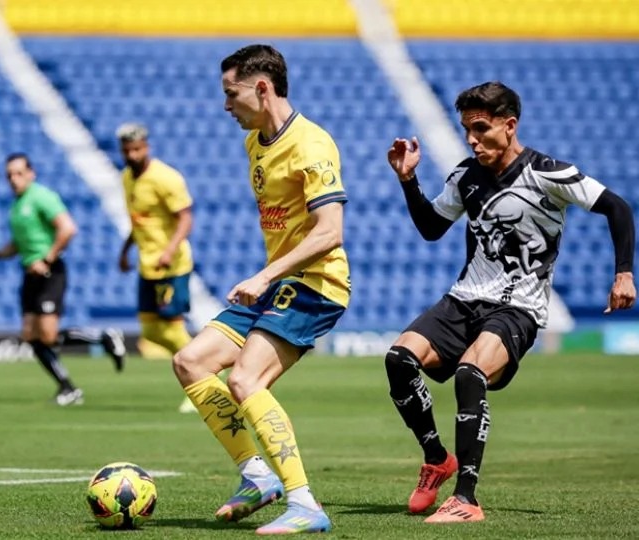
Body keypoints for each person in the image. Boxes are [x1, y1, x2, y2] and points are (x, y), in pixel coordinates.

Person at [385, 81, 636, 523]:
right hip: (464, 298)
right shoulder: (465, 176)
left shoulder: (549, 173)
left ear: (510, 125)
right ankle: (436, 459)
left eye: (480, 128)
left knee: (470, 373)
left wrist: (624, 273)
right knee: (398, 360)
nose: (471, 139)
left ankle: (466, 499)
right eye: (466, 130)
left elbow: (617, 207)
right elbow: (431, 228)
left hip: (518, 307)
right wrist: (408, 179)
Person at [172, 44, 350, 534]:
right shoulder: (256, 142)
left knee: (245, 380)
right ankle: (256, 476)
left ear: (263, 88)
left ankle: (305, 503)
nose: (225, 105)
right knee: (190, 362)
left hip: (317, 283)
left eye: (232, 94)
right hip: (278, 282)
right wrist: (269, 276)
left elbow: (330, 232)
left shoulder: (311, 145)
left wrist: (266, 275)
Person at [0, 153, 126, 406]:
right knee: (31, 336)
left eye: (19, 173)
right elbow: (20, 244)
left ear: (31, 173)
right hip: (30, 273)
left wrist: (47, 259)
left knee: (47, 334)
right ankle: (67, 387)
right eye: (9, 175)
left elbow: (67, 228)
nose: (13, 179)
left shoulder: (41, 196)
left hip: (49, 272)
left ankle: (103, 337)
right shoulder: (17, 206)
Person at [115, 123, 197, 414]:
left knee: (173, 329)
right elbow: (139, 220)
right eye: (127, 151)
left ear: (146, 147)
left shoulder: (165, 178)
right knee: (150, 330)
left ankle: (200, 378)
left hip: (172, 266)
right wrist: (125, 251)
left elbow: (185, 219)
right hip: (147, 265)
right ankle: (199, 361)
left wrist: (169, 250)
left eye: (137, 149)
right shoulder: (127, 177)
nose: (133, 155)